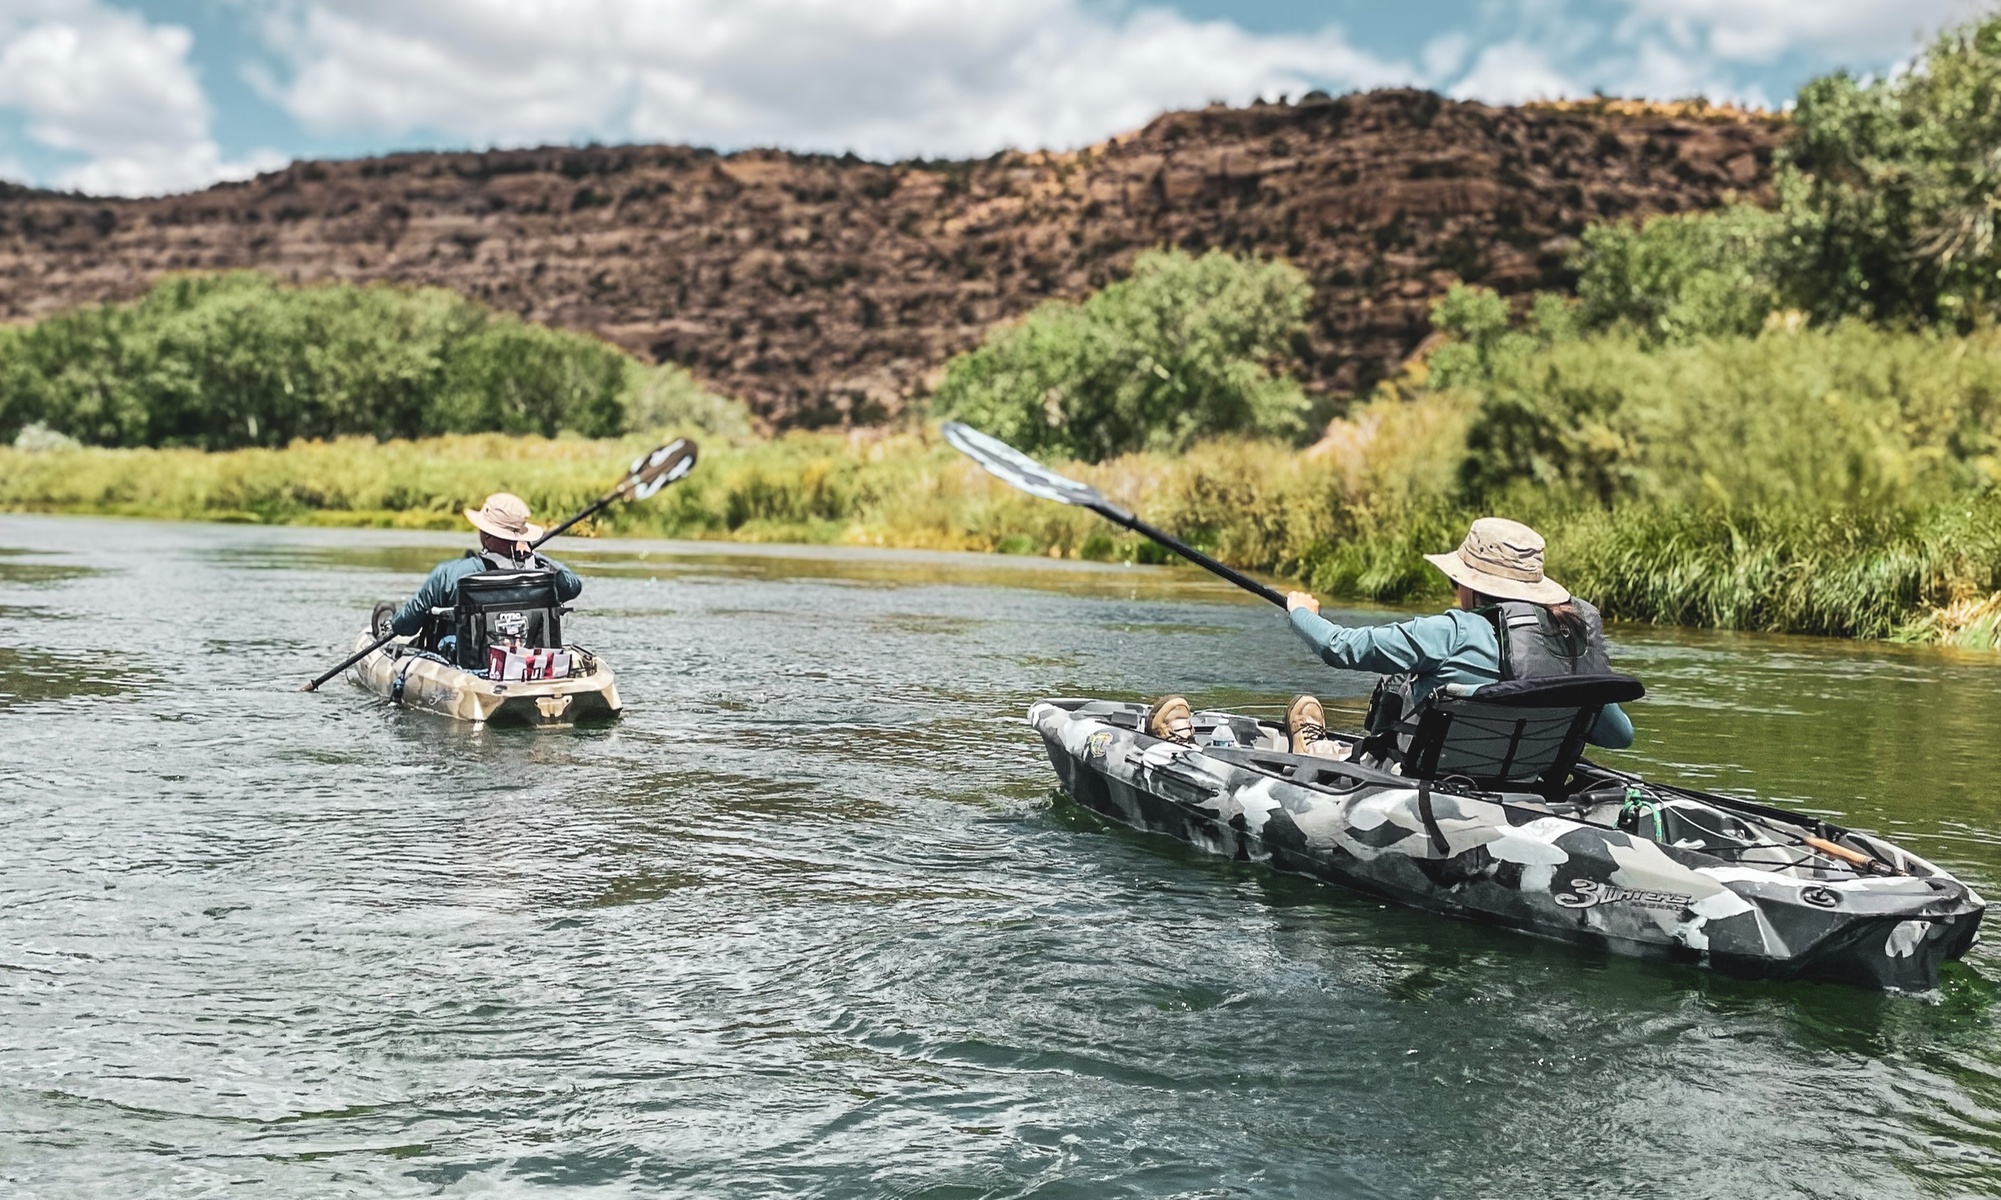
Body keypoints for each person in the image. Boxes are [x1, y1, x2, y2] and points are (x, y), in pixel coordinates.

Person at [1145, 517, 1634, 759]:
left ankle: (1303, 749)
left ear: (1470, 586)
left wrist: (1300, 613)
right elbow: (1619, 737)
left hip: (1432, 787)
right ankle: (1307, 743)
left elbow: (1341, 647)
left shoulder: (1450, 632)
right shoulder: (1572, 643)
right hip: (1522, 785)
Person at [388, 492, 583, 639]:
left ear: (487, 535)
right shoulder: (542, 574)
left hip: (467, 664)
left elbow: (405, 625)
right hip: (529, 659)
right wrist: (535, 556)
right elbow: (573, 586)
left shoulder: (450, 574)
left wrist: (393, 623)